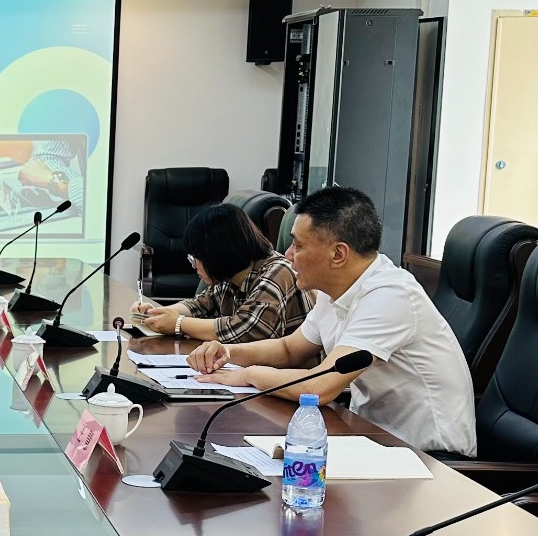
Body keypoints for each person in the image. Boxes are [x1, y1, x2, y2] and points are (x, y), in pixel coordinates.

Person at [187, 186, 476, 456]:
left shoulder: (391, 295)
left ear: (338, 254)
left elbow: (320, 386)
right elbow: (290, 349)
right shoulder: (335, 289)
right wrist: (229, 352)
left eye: (298, 245)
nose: (288, 255)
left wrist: (248, 374)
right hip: (372, 437)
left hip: (429, 458)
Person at [133, 203, 307, 343]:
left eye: (195, 258)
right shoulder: (232, 276)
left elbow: (247, 329)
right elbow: (200, 305)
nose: (194, 265)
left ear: (217, 254)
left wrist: (179, 324)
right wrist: (156, 314)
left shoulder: (278, 272)